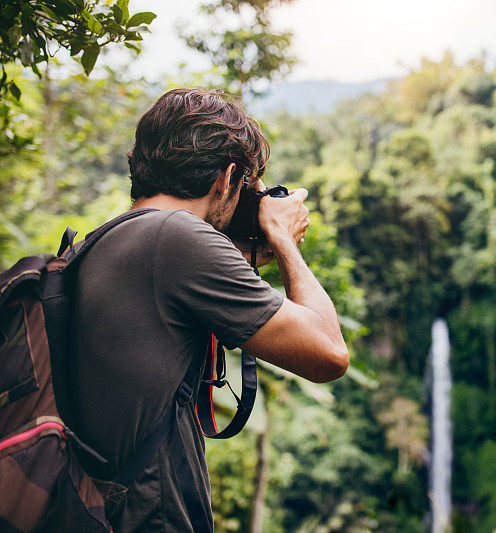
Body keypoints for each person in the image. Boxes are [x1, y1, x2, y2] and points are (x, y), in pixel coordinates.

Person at [67, 87, 349, 531]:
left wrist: (246, 251)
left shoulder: (106, 239)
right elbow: (329, 354)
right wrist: (280, 235)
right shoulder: (176, 238)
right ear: (227, 175)